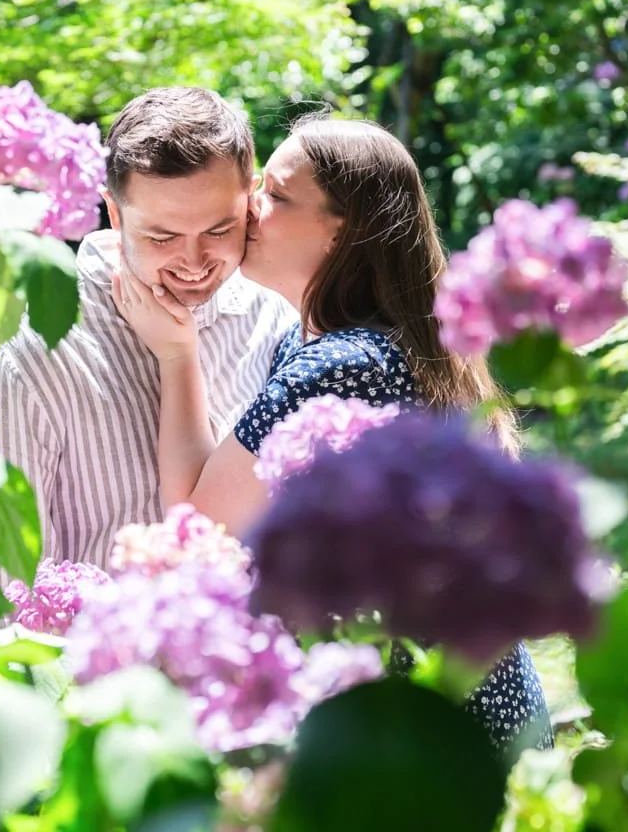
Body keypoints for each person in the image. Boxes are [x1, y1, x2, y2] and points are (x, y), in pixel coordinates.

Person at [112, 115, 551, 751]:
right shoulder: (334, 342)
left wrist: (177, 355)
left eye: (276, 196)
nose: (250, 207)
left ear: (341, 232)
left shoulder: (345, 365)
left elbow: (200, 527)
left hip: (434, 740)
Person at [0, 87, 295, 640]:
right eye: (162, 236)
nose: (195, 262)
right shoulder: (24, 356)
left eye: (220, 230)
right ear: (112, 211)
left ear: (252, 198)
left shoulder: (274, 318)